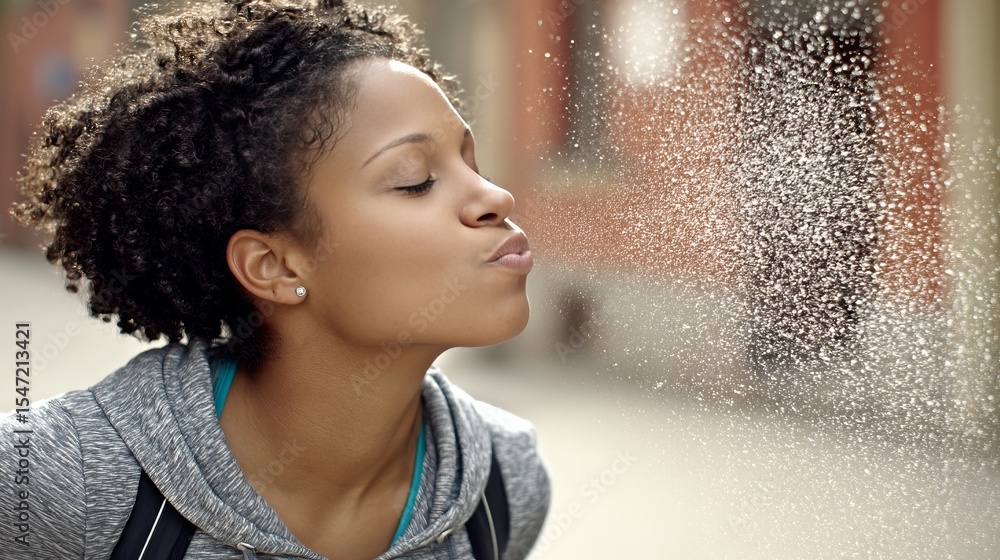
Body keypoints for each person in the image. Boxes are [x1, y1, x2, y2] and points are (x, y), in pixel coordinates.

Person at [2, 0, 550, 558]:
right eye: (415, 180)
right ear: (275, 266)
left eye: (472, 163)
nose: (495, 197)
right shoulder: (61, 482)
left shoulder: (504, 487)